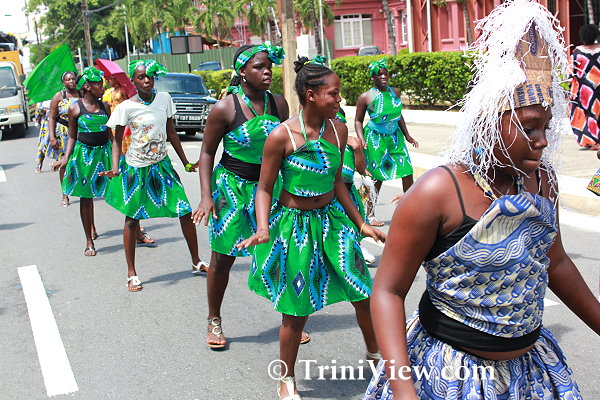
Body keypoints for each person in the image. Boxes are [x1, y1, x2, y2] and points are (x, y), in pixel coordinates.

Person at [363, 1, 600, 399]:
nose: (542, 141)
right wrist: (403, 389)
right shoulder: (439, 192)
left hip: (529, 375)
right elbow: (387, 292)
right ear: (490, 120)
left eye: (546, 127)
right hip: (452, 375)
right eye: (530, 128)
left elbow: (556, 261)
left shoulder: (543, 182)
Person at [238, 57, 386, 400]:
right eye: (333, 93)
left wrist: (361, 223)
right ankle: (286, 378)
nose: (339, 99)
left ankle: (375, 355)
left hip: (332, 223)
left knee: (363, 293)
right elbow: (264, 188)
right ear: (311, 95)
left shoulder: (339, 130)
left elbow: (336, 183)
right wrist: (263, 227)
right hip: (296, 228)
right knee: (296, 310)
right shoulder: (281, 135)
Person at [192, 43, 312, 350]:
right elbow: (206, 153)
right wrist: (206, 196)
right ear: (242, 71)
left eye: (269, 66)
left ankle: (290, 319)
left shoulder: (279, 104)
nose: (267, 72)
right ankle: (214, 318)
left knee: (282, 252)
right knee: (223, 258)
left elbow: (288, 146)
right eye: (259, 67)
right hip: (231, 188)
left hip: (268, 187)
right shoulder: (225, 108)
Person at [100, 59, 205, 292]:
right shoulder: (126, 107)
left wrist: (186, 162)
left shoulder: (164, 99)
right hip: (136, 168)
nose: (146, 80)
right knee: (132, 219)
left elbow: (171, 132)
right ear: (133, 81)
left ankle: (196, 260)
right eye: (141, 77)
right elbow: (117, 140)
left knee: (184, 211)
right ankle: (131, 273)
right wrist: (115, 167)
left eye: (149, 76)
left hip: (161, 166)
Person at [52, 67, 112, 256]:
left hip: (105, 154)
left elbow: (110, 135)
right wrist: (65, 158)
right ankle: (89, 240)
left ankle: (137, 231)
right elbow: (72, 136)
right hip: (84, 156)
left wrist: (120, 158)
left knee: (122, 190)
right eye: (99, 85)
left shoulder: (105, 107)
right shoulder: (75, 108)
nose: (102, 88)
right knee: (86, 198)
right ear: (87, 86)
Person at [354, 59, 419, 226]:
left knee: (407, 171)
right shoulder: (366, 97)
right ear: (372, 78)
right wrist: (361, 139)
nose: (383, 77)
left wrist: (407, 135)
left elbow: (398, 115)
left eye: (385, 74)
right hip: (375, 139)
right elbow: (358, 121)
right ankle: (369, 215)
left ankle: (411, 209)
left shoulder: (394, 92)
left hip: (395, 138)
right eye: (379, 74)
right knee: (376, 178)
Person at [47, 71, 81, 206]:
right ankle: (65, 194)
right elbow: (51, 117)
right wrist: (52, 137)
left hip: (80, 132)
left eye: (73, 79)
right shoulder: (59, 96)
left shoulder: (82, 94)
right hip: (64, 133)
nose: (71, 81)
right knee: (64, 164)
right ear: (63, 82)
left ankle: (83, 189)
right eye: (68, 79)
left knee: (81, 162)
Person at [570, 24, 600, 149]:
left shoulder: (577, 53)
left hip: (584, 91)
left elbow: (570, 73)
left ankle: (590, 140)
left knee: (588, 115)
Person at [34, 100, 51, 173]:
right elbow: (39, 111)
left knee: (61, 143)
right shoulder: (42, 99)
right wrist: (47, 110)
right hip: (46, 124)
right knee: (44, 144)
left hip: (59, 123)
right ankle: (39, 164)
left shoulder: (59, 96)